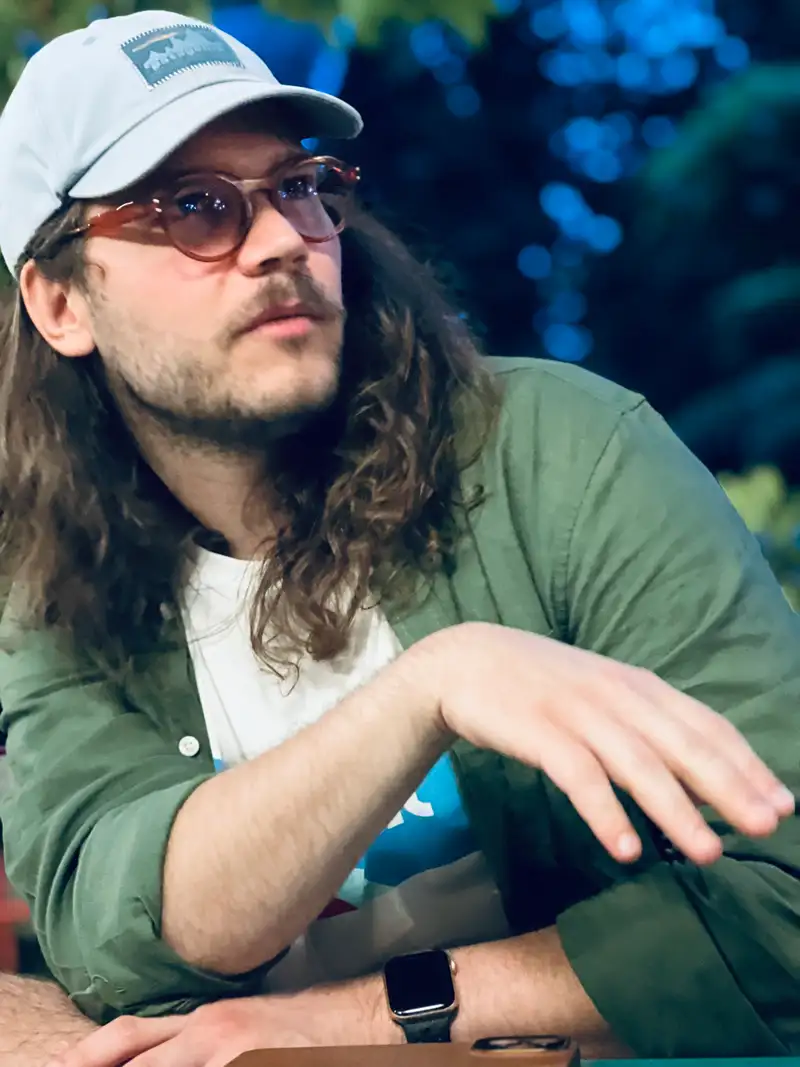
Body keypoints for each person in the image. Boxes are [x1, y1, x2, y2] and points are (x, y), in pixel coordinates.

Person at [0, 8, 798, 1067]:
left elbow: (779, 899)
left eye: (297, 185)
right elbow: (115, 928)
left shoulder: (568, 453)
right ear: (62, 303)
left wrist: (335, 1017)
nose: (285, 237)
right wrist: (433, 686)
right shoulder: (55, 573)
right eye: (195, 208)